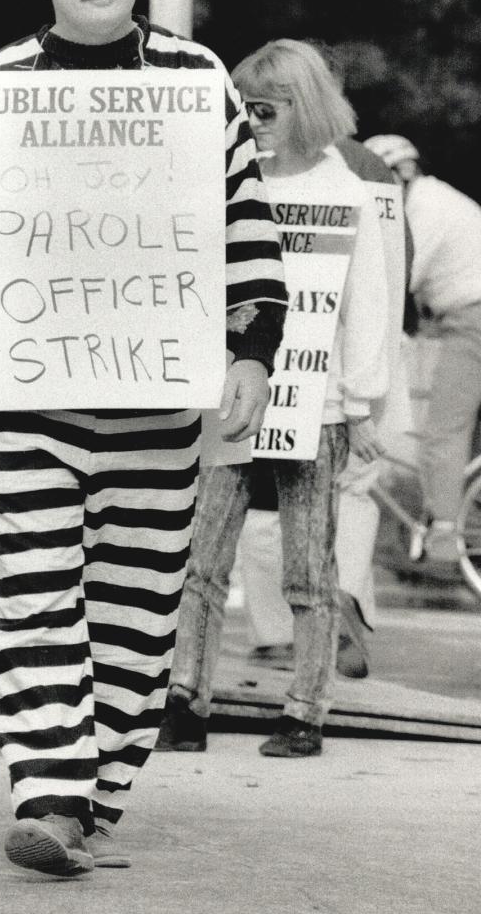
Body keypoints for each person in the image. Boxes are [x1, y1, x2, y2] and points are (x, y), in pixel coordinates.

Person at [0, 0, 287, 877]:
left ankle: (99, 790)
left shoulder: (197, 85)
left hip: (156, 393)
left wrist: (251, 351)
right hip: (29, 393)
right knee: (33, 592)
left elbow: (246, 231)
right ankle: (51, 794)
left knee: (136, 601)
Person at [157, 39, 389, 758]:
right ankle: (185, 699)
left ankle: (305, 709)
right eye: (243, 109)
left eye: (265, 109)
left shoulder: (346, 194)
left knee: (308, 566)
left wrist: (360, 405)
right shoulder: (232, 183)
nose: (251, 122)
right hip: (229, 392)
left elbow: (367, 308)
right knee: (202, 557)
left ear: (304, 108)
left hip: (313, 404)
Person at [240, 137, 410, 679]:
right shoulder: (371, 166)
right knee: (353, 492)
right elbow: (395, 262)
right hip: (356, 356)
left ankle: (276, 633)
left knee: (264, 501)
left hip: (284, 358)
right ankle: (343, 599)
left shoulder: (264, 161)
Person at [363, 134, 481, 563]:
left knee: (443, 433)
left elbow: (397, 279)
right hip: (459, 317)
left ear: (404, 173)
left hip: (473, 320)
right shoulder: (435, 200)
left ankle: (445, 536)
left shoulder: (423, 211)